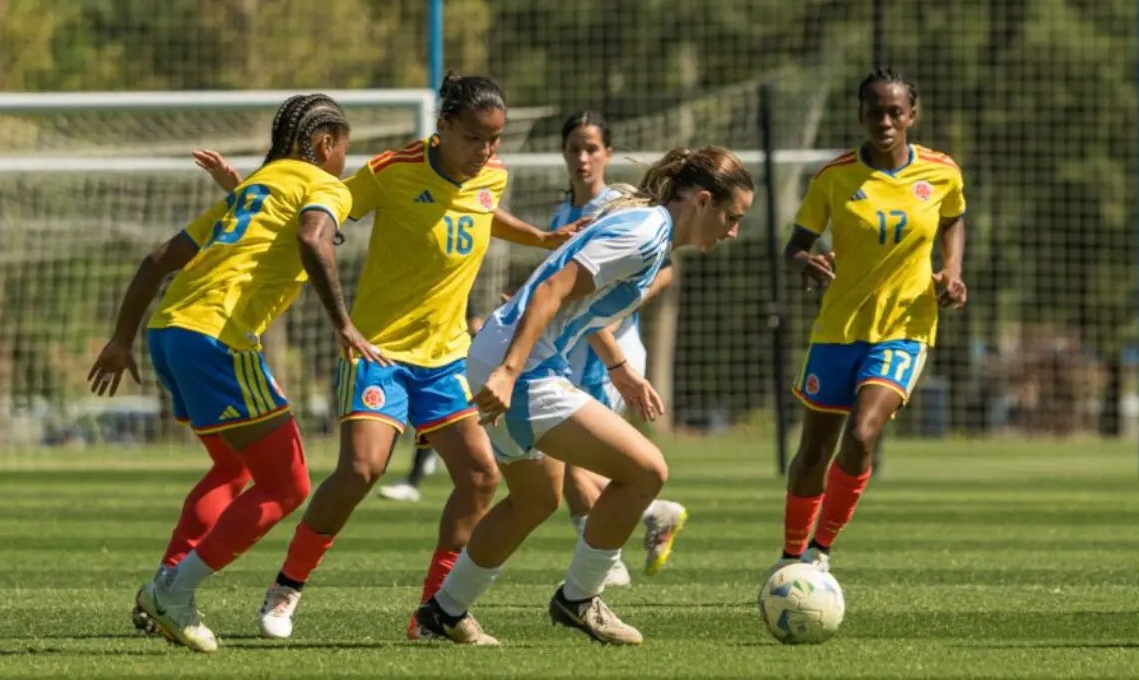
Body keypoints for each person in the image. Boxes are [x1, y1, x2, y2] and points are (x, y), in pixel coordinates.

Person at [191, 72, 587, 641]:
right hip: (378, 350)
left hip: (448, 357)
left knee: (480, 479)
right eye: (475, 138)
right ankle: (287, 586)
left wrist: (541, 239)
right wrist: (244, 190)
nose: (487, 151)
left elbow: (479, 212)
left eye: (494, 141)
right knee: (361, 469)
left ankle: (435, 613)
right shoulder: (391, 171)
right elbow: (318, 207)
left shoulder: (492, 177)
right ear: (444, 125)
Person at [413, 147, 755, 646]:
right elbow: (552, 289)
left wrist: (618, 368)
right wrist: (509, 373)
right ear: (703, 201)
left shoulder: (647, 228)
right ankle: (579, 599)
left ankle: (442, 613)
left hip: (503, 352)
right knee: (646, 471)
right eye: (732, 217)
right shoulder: (644, 233)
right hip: (520, 365)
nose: (733, 231)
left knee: (535, 499)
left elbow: (580, 300)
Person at [89, 94, 381, 653]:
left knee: (230, 467)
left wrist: (121, 339)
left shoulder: (253, 189)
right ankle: (172, 592)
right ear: (324, 146)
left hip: (168, 333)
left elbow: (156, 262)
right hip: (217, 340)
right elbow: (310, 237)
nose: (345, 162)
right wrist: (343, 323)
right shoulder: (327, 187)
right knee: (287, 484)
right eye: (343, 149)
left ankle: (168, 581)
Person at [774, 67, 967, 574]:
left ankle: (820, 552)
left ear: (912, 115)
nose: (884, 120)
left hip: (905, 327)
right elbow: (795, 246)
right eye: (874, 111)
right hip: (838, 330)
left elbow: (952, 218)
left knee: (861, 435)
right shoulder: (834, 177)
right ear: (860, 115)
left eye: (894, 112)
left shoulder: (941, 172)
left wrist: (952, 272)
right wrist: (805, 262)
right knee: (814, 452)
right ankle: (790, 555)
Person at [551, 111, 687, 587]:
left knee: (571, 463)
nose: (583, 157)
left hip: (611, 354)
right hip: (572, 349)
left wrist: (625, 297)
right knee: (568, 463)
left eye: (592, 148)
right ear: (564, 153)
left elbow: (665, 269)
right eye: (575, 148)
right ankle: (650, 516)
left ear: (607, 152)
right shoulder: (561, 213)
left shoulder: (622, 204)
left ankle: (608, 558)